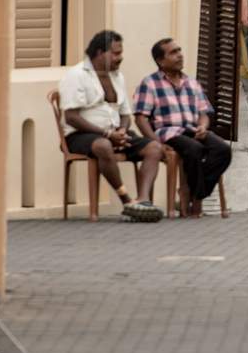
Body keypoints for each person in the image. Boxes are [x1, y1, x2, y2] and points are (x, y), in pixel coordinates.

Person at [59, 31, 167, 222]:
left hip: (115, 133)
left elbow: (125, 113)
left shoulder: (117, 76)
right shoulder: (76, 75)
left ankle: (142, 201)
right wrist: (107, 134)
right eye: (116, 53)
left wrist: (122, 130)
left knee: (154, 147)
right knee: (103, 146)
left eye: (120, 53)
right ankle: (127, 201)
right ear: (100, 53)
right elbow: (71, 117)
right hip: (80, 135)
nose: (120, 57)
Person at [133, 39, 232, 217]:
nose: (180, 55)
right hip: (168, 132)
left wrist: (202, 126)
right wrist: (155, 141)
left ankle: (193, 193)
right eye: (173, 52)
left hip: (193, 130)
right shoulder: (150, 83)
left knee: (222, 150)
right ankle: (196, 200)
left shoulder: (191, 83)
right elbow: (141, 118)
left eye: (179, 50)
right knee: (195, 149)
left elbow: (204, 112)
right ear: (160, 61)